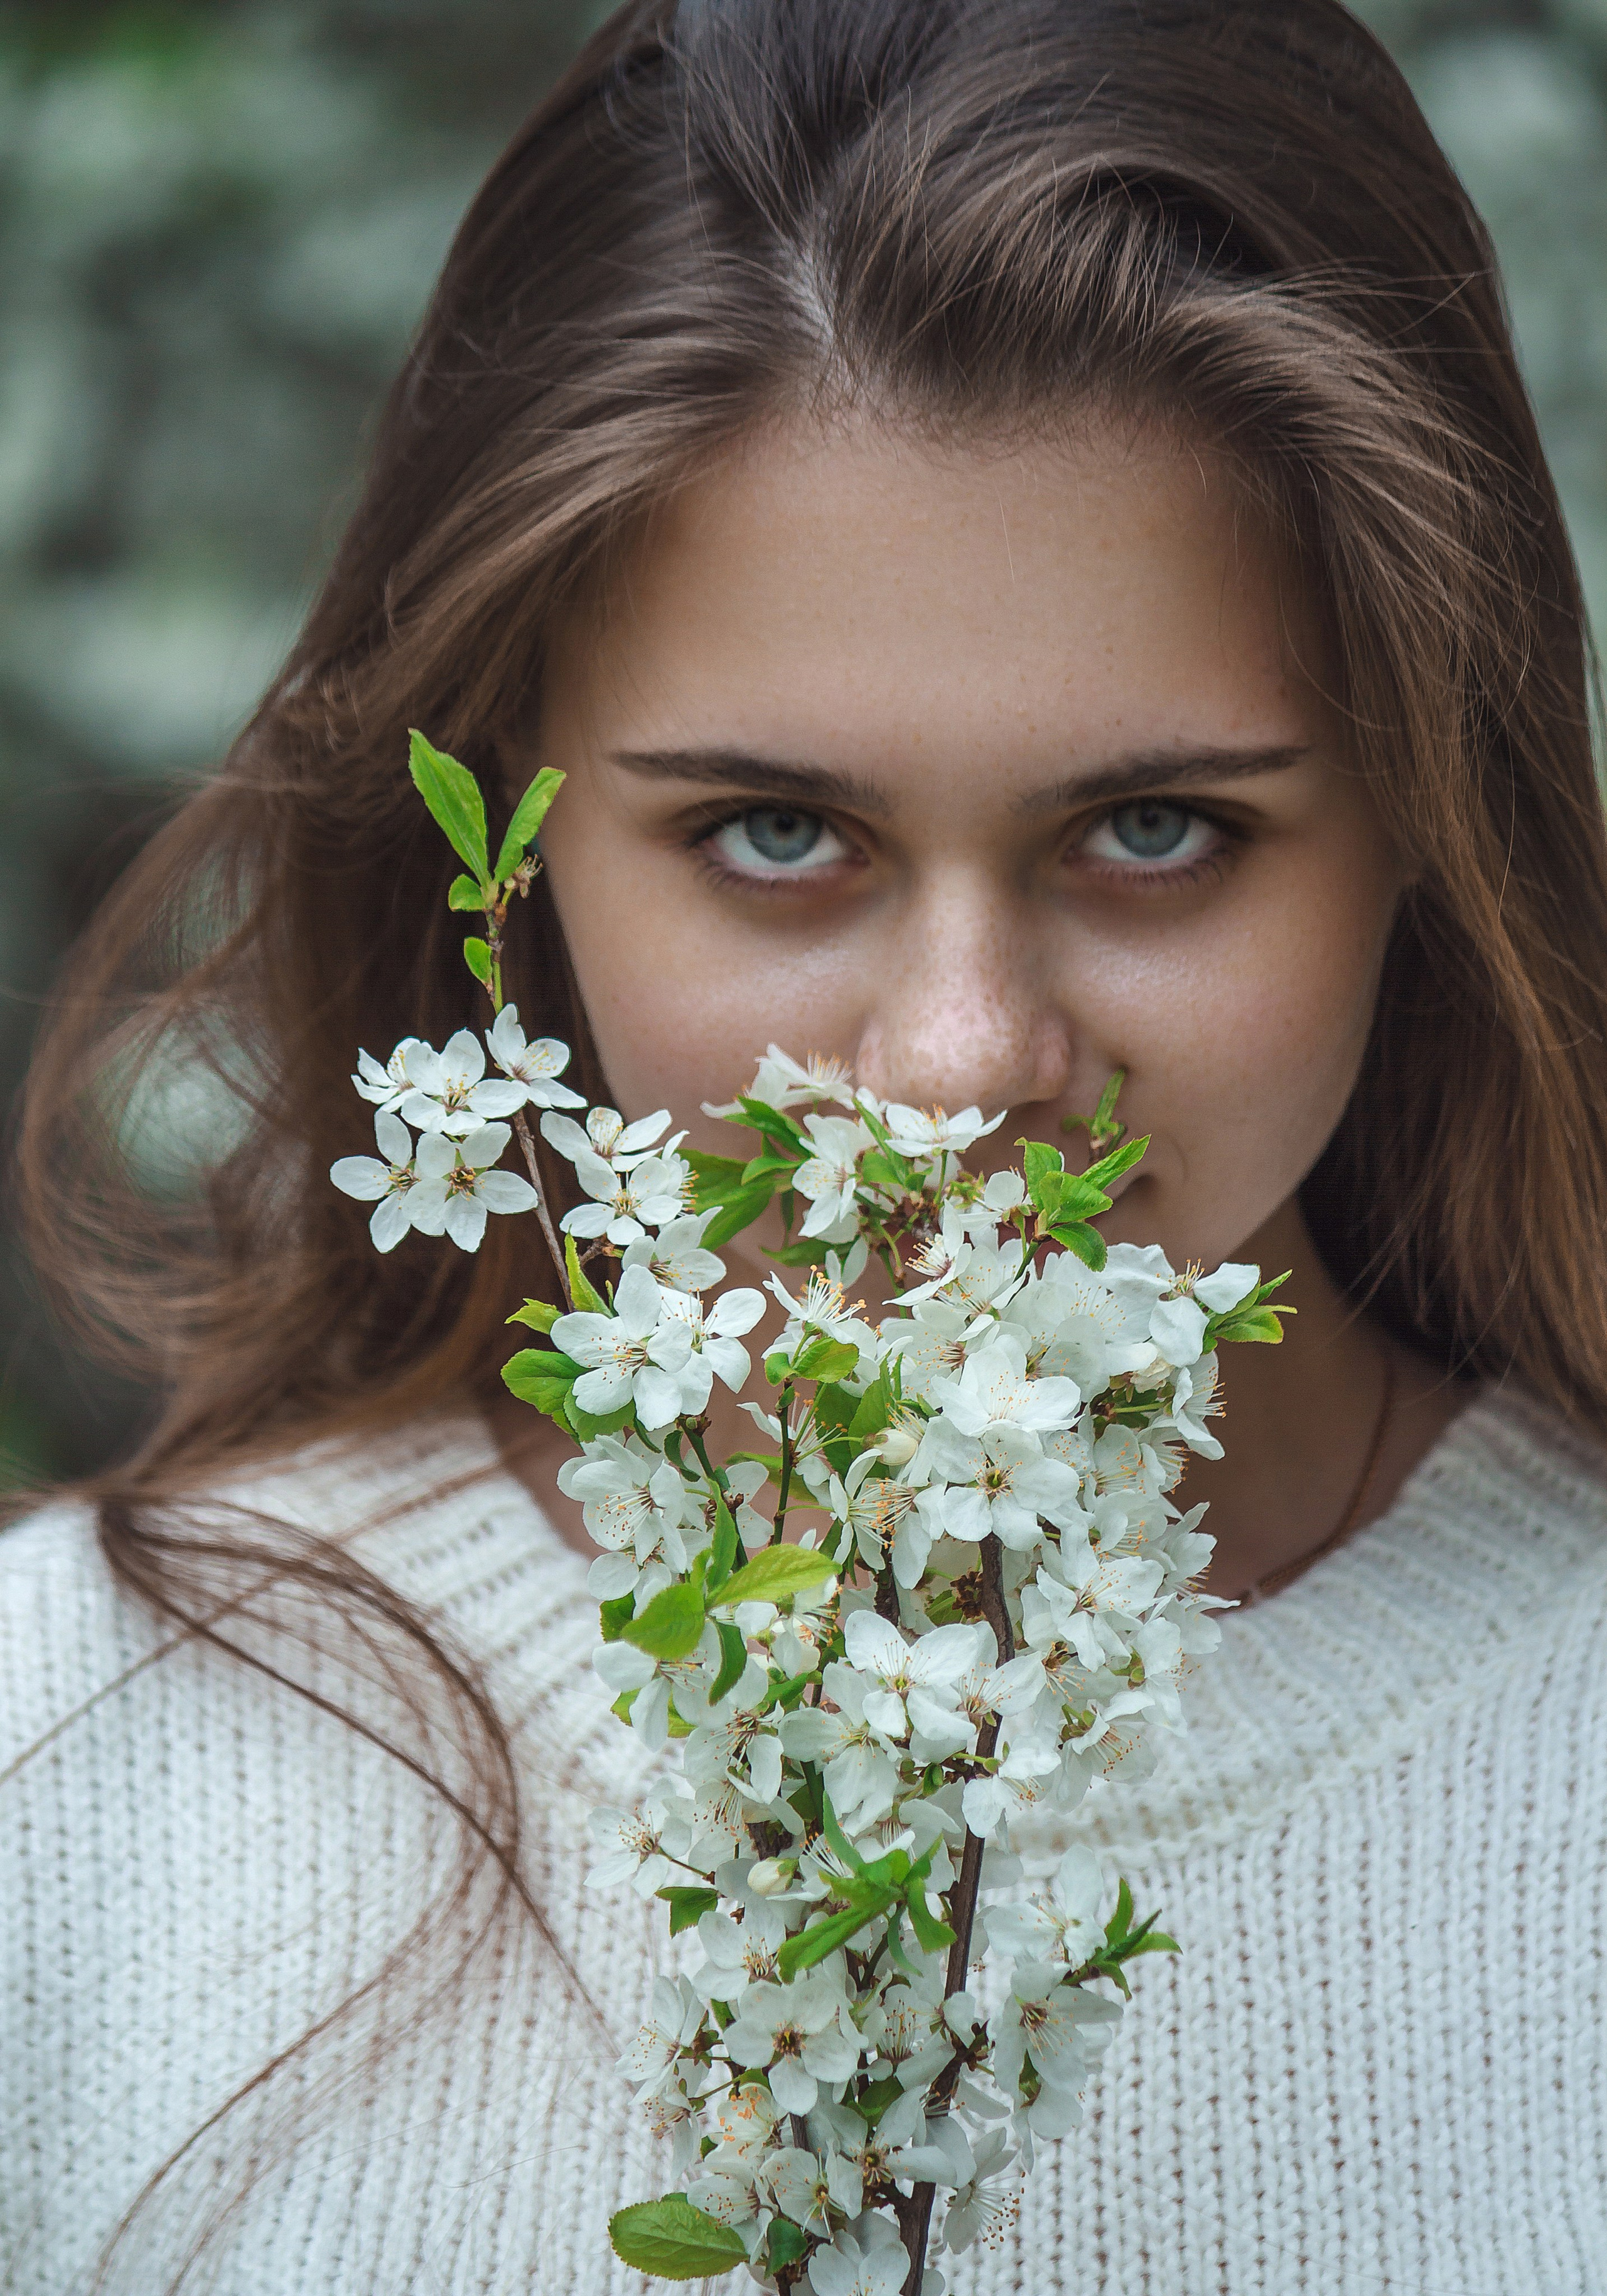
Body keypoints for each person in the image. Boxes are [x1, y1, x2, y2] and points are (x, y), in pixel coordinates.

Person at [6, 0, 1606, 2287]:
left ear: (1429, 829)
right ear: (519, 827)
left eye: (1160, 828)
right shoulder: (69, 1776)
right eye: (776, 833)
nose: (961, 1064)